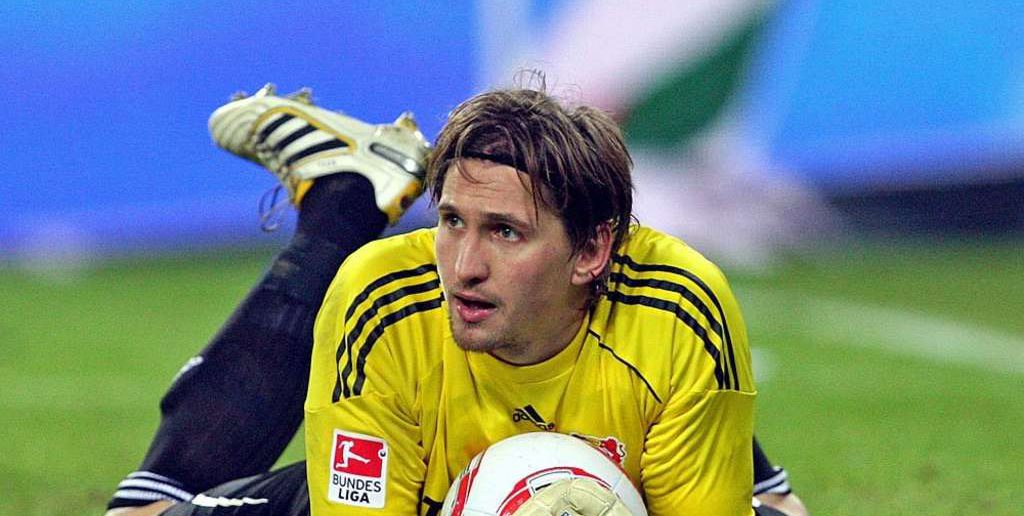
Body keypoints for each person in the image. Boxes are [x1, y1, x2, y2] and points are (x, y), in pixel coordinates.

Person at [106, 80, 807, 515]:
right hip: (417, 487)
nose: (464, 267)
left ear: (593, 250)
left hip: (629, 469)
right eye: (450, 221)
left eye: (505, 231)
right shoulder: (385, 299)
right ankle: (343, 202)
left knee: (776, 507)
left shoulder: (681, 305)